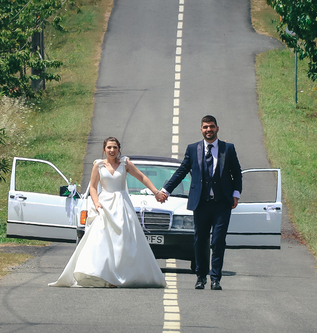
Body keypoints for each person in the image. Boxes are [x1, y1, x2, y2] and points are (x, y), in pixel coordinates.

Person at [49, 137, 167, 288]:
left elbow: (142, 177)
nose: (112, 150)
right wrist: (96, 202)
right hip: (105, 204)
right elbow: (93, 187)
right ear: (104, 149)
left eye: (115, 147)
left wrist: (156, 192)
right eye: (109, 147)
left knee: (124, 239)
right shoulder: (98, 165)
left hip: (122, 204)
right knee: (102, 239)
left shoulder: (125, 163)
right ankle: (104, 275)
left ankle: (124, 274)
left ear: (119, 149)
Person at [156, 115, 242, 290]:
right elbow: (182, 171)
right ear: (201, 130)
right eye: (205, 127)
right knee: (200, 241)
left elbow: (236, 173)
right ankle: (201, 277)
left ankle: (215, 278)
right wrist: (166, 190)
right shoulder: (193, 149)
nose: (208, 130)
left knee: (218, 241)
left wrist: (235, 193)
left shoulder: (228, 148)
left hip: (221, 203)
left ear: (217, 128)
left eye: (211, 126)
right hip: (201, 203)